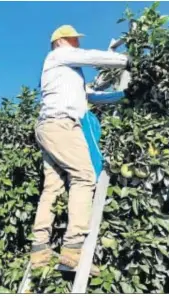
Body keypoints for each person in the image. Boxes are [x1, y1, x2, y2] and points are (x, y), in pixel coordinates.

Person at [31, 25, 132, 276]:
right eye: (74, 40)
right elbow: (89, 56)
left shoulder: (67, 76)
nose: (77, 44)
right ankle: (73, 250)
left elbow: (94, 96)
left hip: (48, 127)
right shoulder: (58, 55)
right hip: (62, 125)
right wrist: (126, 61)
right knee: (84, 177)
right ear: (62, 41)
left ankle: (40, 249)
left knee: (52, 187)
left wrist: (125, 96)